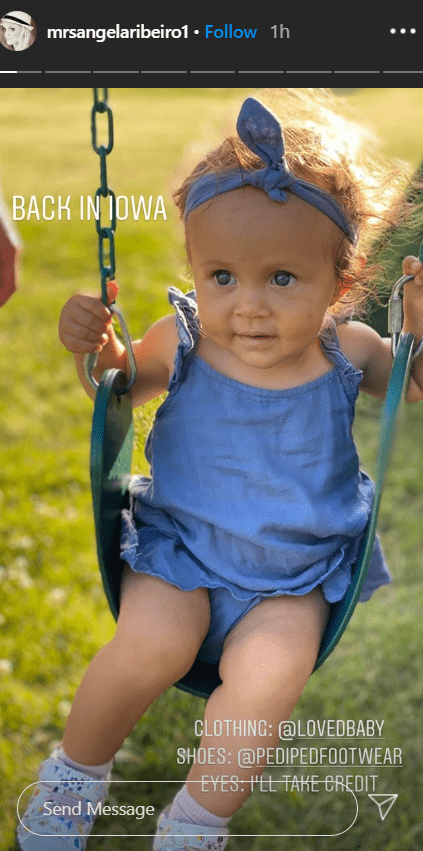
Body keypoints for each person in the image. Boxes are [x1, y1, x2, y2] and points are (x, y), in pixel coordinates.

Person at [17, 91, 423, 850]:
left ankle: (195, 822)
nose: (247, 307)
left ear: (339, 283)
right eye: (222, 276)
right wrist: (98, 350)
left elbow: (411, 382)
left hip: (294, 578)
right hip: (182, 556)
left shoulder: (351, 349)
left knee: (267, 682)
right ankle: (74, 777)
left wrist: (418, 339)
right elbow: (120, 384)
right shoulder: (188, 338)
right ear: (197, 271)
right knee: (149, 648)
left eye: (281, 279)